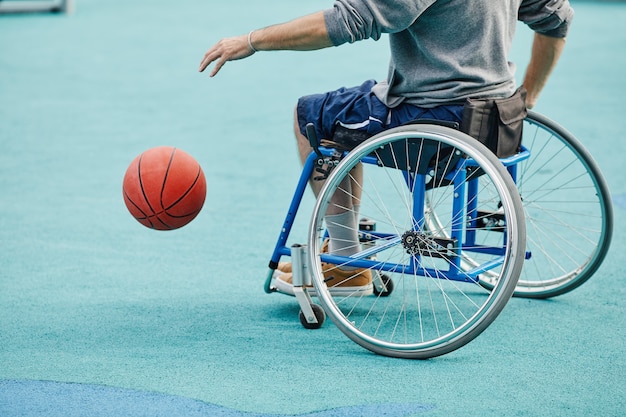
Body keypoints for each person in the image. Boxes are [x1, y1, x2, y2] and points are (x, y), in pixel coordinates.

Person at [199, 0, 574, 296]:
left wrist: (251, 41)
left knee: (312, 116)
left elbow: (347, 21)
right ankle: (345, 248)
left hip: (435, 117)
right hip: (496, 117)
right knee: (356, 103)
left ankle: (345, 261)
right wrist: (527, 100)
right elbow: (557, 19)